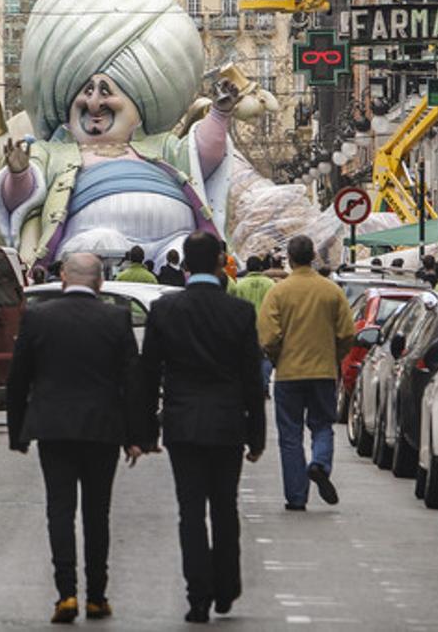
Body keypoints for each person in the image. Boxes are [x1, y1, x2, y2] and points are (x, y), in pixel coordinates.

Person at [132, 231, 266, 623]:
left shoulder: (165, 311)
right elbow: (251, 380)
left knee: (190, 511)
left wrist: (145, 433)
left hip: (183, 425)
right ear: (219, 263)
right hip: (227, 425)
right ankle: (226, 587)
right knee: (225, 507)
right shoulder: (239, 314)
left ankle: (197, 597)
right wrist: (256, 435)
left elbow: (147, 374)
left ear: (186, 266)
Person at [6, 253, 139, 624]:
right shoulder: (116, 318)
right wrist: (136, 435)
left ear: (64, 278)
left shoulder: (39, 317)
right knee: (98, 513)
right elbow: (133, 381)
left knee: (59, 510)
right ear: (100, 282)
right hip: (103, 429)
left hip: (54, 429)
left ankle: (65, 595)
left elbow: (19, 379)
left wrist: (18, 432)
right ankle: (97, 596)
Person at [257, 234, 354, 512]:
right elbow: (347, 333)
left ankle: (296, 497)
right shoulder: (331, 291)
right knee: (323, 425)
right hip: (323, 371)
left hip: (289, 374)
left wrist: (278, 359)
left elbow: (269, 337)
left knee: (290, 435)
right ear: (313, 257)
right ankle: (320, 464)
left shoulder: (278, 292)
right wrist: (333, 356)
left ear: (289, 258)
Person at [232, 256, 276, 397]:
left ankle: (249, 384)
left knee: (247, 357)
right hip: (265, 325)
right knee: (265, 357)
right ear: (261, 268)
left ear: (248, 268)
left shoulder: (240, 285)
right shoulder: (270, 284)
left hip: (246, 326)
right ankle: (264, 384)